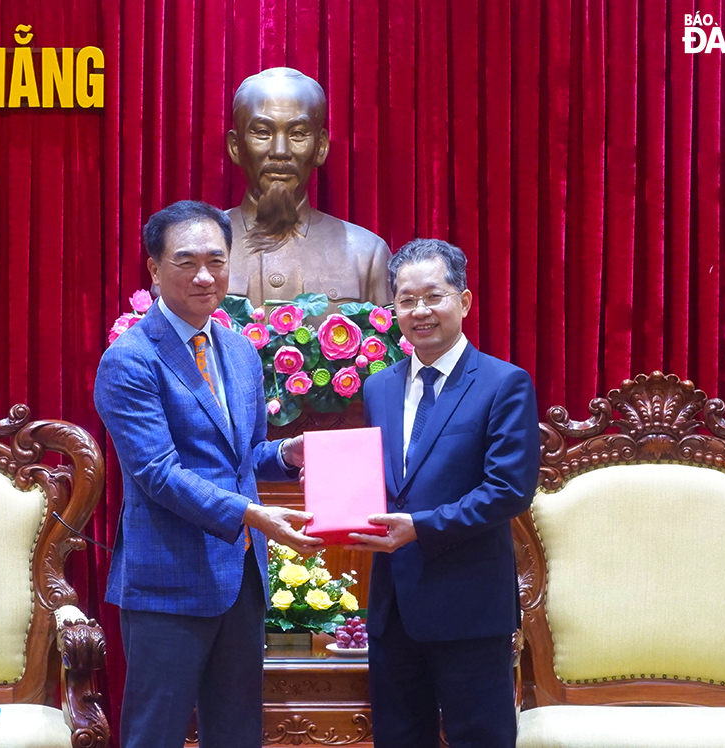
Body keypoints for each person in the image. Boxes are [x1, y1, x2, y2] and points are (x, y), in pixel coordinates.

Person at [94, 200, 323, 748]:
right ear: (153, 268)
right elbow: (158, 473)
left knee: (238, 731)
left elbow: (238, 458)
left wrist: (286, 453)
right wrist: (254, 515)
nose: (204, 276)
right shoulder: (130, 359)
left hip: (241, 576)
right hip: (167, 581)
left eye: (216, 261)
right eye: (186, 261)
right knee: (157, 733)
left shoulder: (240, 351)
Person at [345, 239, 540, 748]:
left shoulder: (503, 383)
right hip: (393, 608)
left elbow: (509, 490)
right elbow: (384, 481)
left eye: (433, 296)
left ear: (465, 301)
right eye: (406, 300)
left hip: (469, 608)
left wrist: (422, 528)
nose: (420, 311)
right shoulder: (378, 388)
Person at [225, 67, 392, 315]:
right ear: (236, 146)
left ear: (321, 147)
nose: (280, 151)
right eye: (262, 132)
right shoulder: (195, 249)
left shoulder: (367, 255)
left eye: (297, 134)